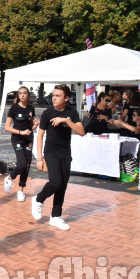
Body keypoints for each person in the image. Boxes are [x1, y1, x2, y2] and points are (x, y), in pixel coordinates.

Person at [32, 84, 85, 231]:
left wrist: (66, 121)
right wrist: (39, 157)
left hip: (65, 152)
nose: (54, 98)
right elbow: (40, 134)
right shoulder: (47, 113)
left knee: (63, 185)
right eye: (53, 95)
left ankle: (55, 216)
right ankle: (38, 199)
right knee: (55, 182)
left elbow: (81, 132)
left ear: (66, 98)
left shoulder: (72, 112)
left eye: (58, 96)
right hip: (51, 152)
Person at [3, 87, 40, 201]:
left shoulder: (30, 108)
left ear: (28, 95)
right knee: (22, 163)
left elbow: (30, 127)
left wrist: (36, 125)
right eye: (20, 93)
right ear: (18, 95)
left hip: (28, 140)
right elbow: (7, 127)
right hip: (17, 139)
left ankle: (20, 191)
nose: (22, 95)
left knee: (27, 165)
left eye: (24, 93)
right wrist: (20, 132)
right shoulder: (14, 108)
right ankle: (10, 178)